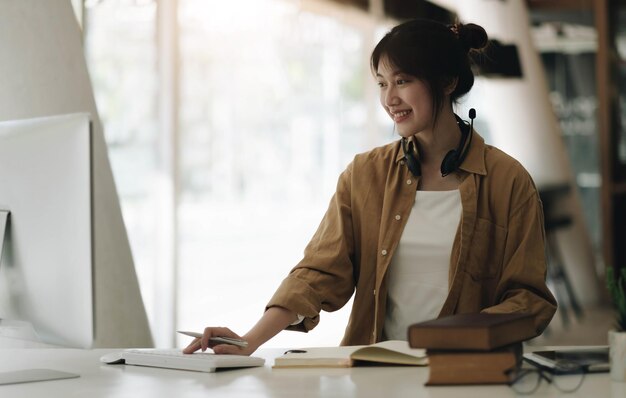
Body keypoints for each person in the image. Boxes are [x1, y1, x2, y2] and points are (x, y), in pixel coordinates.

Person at [184, 18, 557, 356]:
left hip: (465, 374)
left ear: (446, 82)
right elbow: (317, 273)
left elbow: (528, 299)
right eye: (381, 83)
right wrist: (248, 341)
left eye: (403, 81)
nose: (389, 99)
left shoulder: (508, 181)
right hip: (376, 376)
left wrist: (458, 339)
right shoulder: (365, 175)